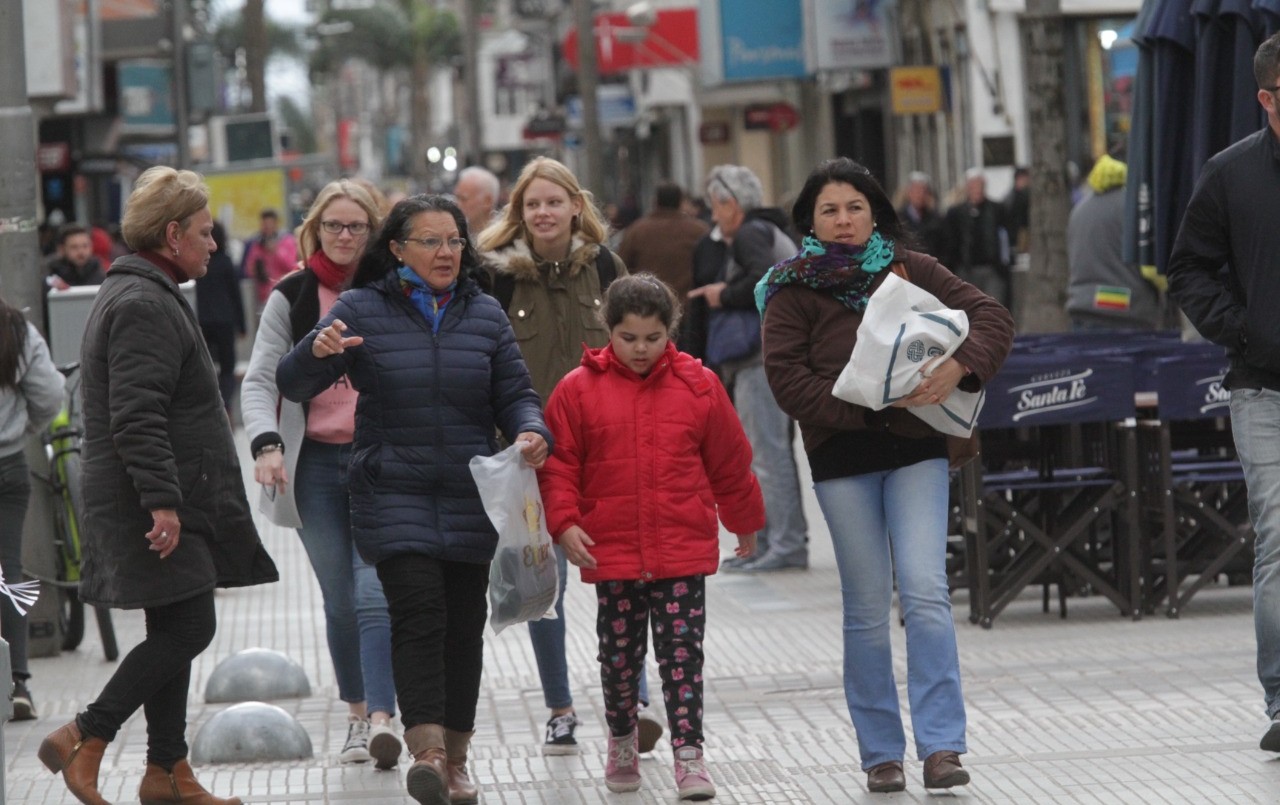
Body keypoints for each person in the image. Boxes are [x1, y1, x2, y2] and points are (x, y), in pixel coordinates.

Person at [277, 194, 551, 805]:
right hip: (392, 490)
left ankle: (455, 759)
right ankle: (424, 749)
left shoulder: (484, 314)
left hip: (467, 492)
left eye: (454, 241)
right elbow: (293, 382)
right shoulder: (360, 308)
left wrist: (533, 431)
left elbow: (516, 393)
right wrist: (313, 353)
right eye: (430, 241)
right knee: (419, 614)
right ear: (397, 249)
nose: (446, 252)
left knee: (463, 628)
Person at [759, 157, 1013, 793]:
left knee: (926, 590)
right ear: (809, 221)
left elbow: (993, 319)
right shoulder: (790, 289)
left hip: (919, 450)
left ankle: (942, 748)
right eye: (829, 211)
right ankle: (881, 754)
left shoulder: (910, 268)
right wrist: (868, 407)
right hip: (842, 459)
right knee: (867, 607)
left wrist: (960, 370)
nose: (844, 221)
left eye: (854, 208)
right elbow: (788, 381)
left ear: (874, 212)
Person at [37, 166, 278, 805]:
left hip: (165, 495)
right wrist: (163, 502)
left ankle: (167, 773)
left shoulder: (146, 289)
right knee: (190, 626)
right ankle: (86, 733)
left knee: (175, 623)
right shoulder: (144, 302)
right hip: (155, 502)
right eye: (204, 232)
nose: (213, 244)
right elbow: (136, 414)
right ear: (172, 235)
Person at [537, 273, 764, 800]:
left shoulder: (698, 385)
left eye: (653, 338)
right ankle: (622, 737)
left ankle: (690, 754)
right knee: (618, 658)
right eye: (629, 338)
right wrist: (564, 523)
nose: (641, 349)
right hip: (612, 548)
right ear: (607, 331)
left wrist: (743, 518)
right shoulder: (577, 389)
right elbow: (560, 466)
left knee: (683, 653)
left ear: (671, 332)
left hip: (680, 547)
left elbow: (730, 460)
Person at [477, 156, 668, 755]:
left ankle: (633, 700)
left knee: (620, 579)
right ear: (519, 213)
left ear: (575, 207)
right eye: (532, 204)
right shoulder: (496, 277)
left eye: (554, 202)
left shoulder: (606, 267)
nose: (544, 213)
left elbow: (642, 346)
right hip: (528, 454)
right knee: (542, 588)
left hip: (604, 452)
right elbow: (481, 363)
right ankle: (559, 707)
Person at [241, 179, 402, 768]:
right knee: (339, 600)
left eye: (356, 225)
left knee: (372, 592)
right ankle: (356, 712)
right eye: (332, 225)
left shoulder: (393, 292)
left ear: (374, 231)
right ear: (314, 230)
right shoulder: (292, 295)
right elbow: (260, 380)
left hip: (379, 461)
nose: (343, 235)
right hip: (315, 468)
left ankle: (381, 718)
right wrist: (266, 444)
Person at [1167, 30, 1280, 755]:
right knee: (1279, 541)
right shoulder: (1229, 174)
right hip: (1265, 389)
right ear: (1269, 98)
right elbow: (1188, 269)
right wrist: (1247, 333)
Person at [688, 164, 810, 573]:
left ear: (731, 203)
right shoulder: (770, 230)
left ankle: (786, 544)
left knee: (766, 455)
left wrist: (724, 293)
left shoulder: (751, 234)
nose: (712, 215)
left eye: (715, 206)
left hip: (760, 358)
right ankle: (774, 541)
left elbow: (766, 280)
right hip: (769, 355)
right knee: (768, 453)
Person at [0, 296, 65, 722]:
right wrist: (23, 431)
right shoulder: (13, 328)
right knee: (9, 572)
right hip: (8, 465)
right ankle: (17, 683)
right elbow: (50, 393)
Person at [1066, 155, 1160, 331]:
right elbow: (1151, 268)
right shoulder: (1135, 207)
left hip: (1081, 309)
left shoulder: (1079, 210)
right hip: (1125, 312)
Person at [615, 180, 710, 303]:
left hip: (648, 306)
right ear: (680, 202)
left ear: (655, 201)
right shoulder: (699, 230)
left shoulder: (637, 231)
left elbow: (622, 267)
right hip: (688, 306)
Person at [941, 168, 1011, 311]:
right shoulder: (955, 213)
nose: (977, 190)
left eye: (979, 186)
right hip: (966, 270)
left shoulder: (997, 210)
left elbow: (1004, 238)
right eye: (973, 186)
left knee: (993, 309)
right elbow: (951, 242)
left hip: (991, 269)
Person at [196, 221, 247, 417]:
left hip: (201, 321)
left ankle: (210, 406)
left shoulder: (199, 264)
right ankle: (226, 404)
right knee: (228, 367)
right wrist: (242, 326)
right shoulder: (226, 263)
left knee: (204, 367)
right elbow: (236, 296)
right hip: (225, 321)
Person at [240, 208, 298, 309]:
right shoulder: (257, 244)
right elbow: (249, 269)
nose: (266, 228)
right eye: (264, 224)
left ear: (275, 224)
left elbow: (292, 266)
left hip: (285, 291)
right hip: (264, 296)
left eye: (269, 224)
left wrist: (276, 252)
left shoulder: (287, 240)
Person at [896, 171, 944, 258]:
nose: (919, 195)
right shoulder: (899, 218)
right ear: (909, 192)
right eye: (916, 190)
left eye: (923, 191)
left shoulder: (936, 218)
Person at [45, 224, 107, 289]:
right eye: (74, 247)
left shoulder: (101, 275)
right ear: (61, 249)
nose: (81, 251)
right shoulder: (50, 277)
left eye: (85, 246)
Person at [454, 166, 501, 236]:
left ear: (487, 201)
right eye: (457, 198)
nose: (457, 204)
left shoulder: (504, 238)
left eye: (463, 199)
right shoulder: (456, 234)